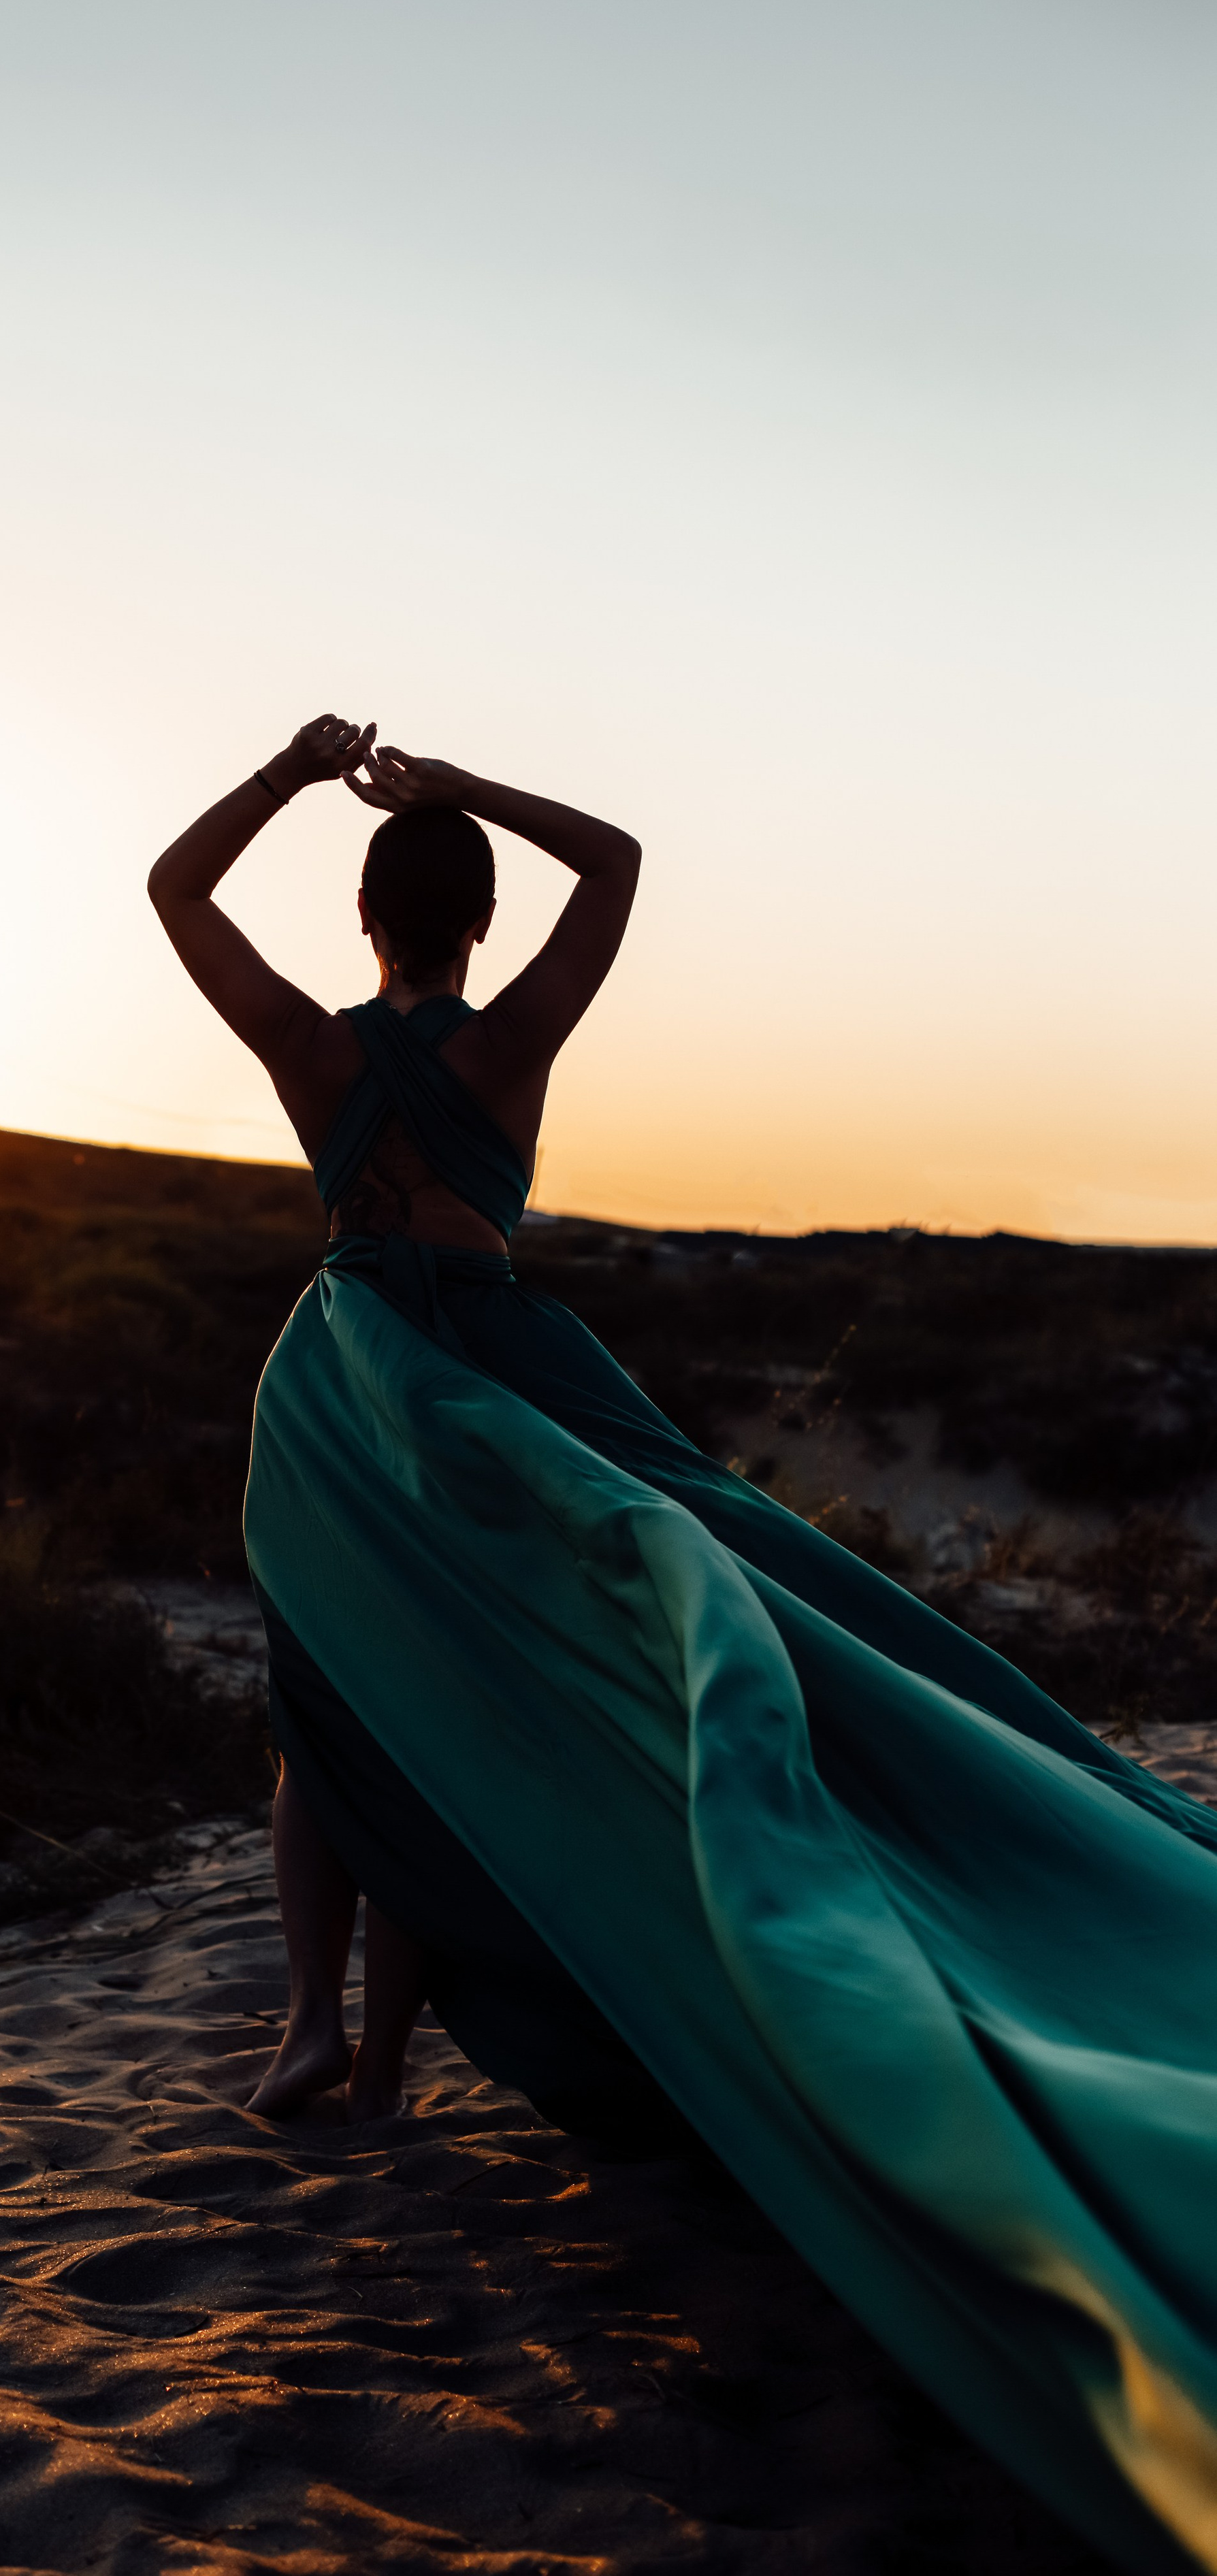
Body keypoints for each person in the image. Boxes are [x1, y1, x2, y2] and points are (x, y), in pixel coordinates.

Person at [150, 715, 1217, 2576]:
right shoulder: (506, 1040)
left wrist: (300, 767)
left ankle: (323, 2029)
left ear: (362, 911)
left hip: (345, 1376)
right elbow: (623, 860)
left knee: (335, 1696)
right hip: (496, 1364)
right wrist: (467, 792)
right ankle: (380, 2047)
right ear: (477, 922)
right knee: (479, 1700)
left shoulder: (314, 1051)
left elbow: (173, 889)